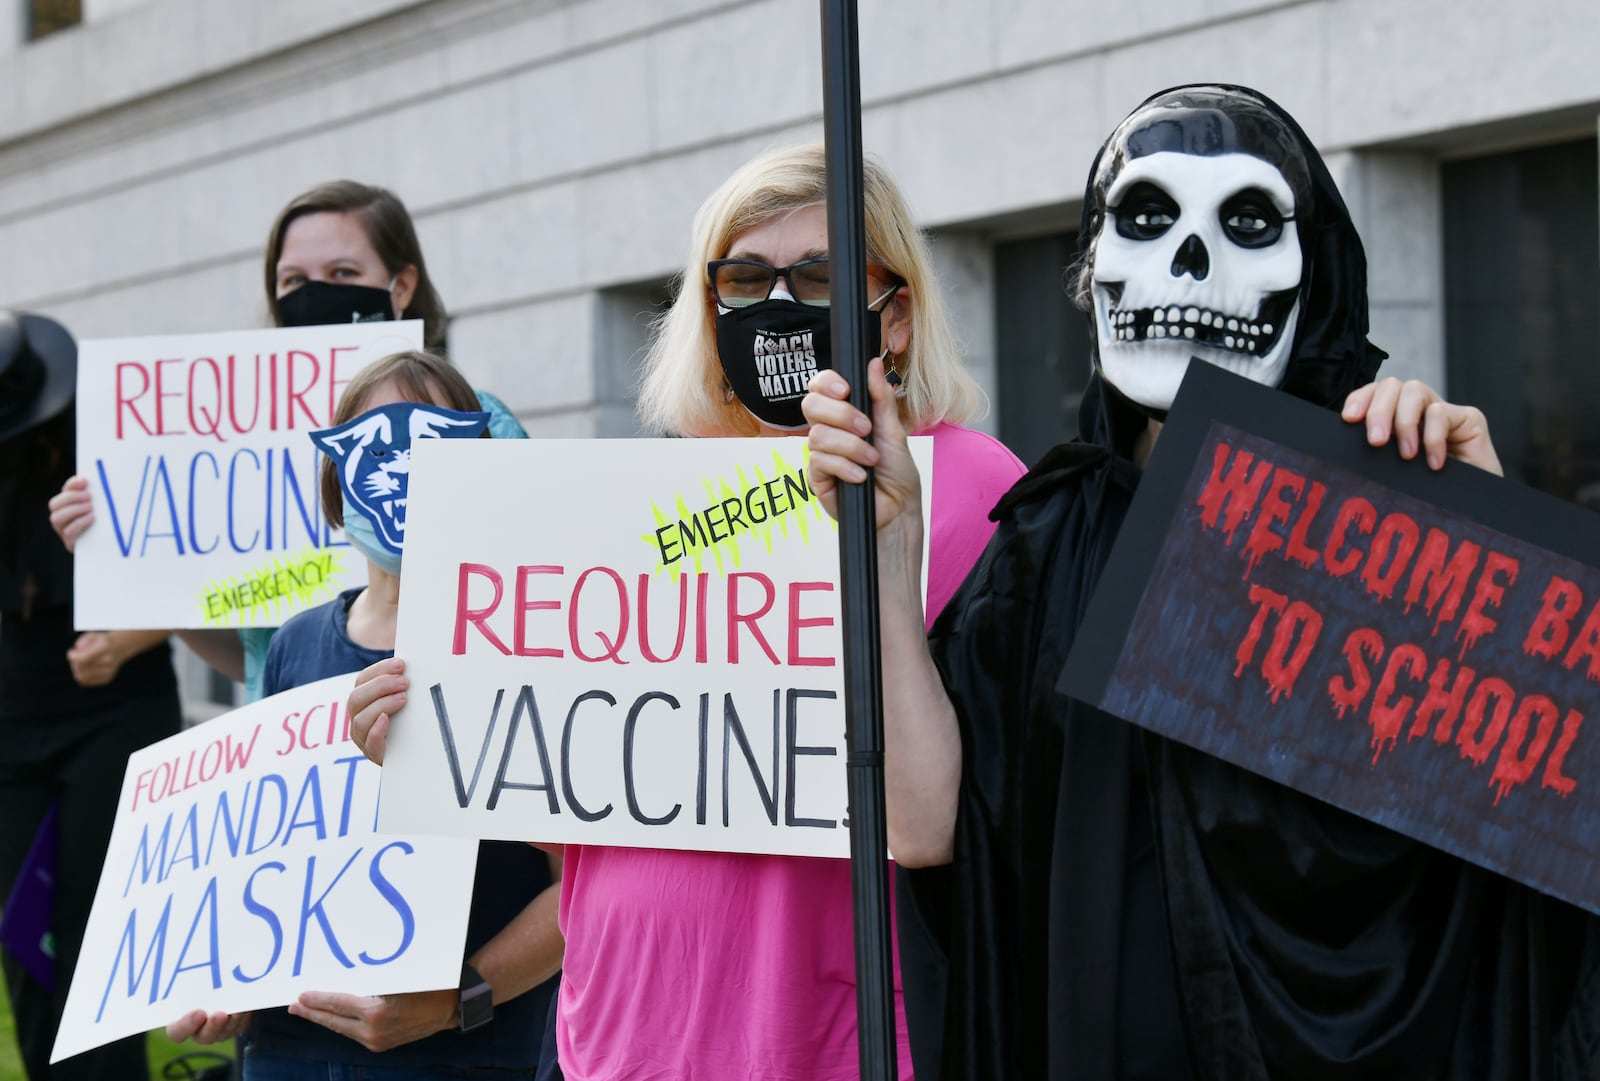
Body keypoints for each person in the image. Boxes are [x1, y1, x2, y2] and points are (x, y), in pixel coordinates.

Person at [804, 85, 1600, 1079]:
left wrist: (1489, 553)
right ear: (1094, 269)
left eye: (1247, 224)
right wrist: (888, 538)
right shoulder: (1049, 541)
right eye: (1144, 218)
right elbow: (925, 832)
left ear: (1317, 278)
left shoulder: (1384, 527)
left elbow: (1561, 820)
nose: (1190, 261)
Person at [345, 141, 1028, 1080]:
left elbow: (952, 822)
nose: (779, 307)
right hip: (621, 1036)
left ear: (896, 314)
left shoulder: (968, 489)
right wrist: (446, 738)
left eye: (820, 275)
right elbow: (590, 808)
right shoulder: (645, 499)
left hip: (830, 1044)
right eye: (744, 281)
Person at [166, 350, 563, 1079]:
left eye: (434, 444)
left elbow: (586, 886)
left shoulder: (529, 643)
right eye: (378, 445)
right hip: (290, 1050)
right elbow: (265, 861)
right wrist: (226, 979)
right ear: (337, 477)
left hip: (472, 1056)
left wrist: (456, 998)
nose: (408, 470)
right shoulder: (294, 645)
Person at [47, 180, 526, 703]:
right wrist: (127, 553)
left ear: (401, 286)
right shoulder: (245, 435)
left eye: (343, 274)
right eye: (294, 280)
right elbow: (257, 656)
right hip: (295, 752)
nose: (314, 293)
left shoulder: (476, 418)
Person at [0, 311, 183, 1081]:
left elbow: (208, 555)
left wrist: (129, 639)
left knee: (101, 927)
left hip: (115, 702)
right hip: (10, 712)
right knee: (24, 929)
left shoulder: (114, 431)